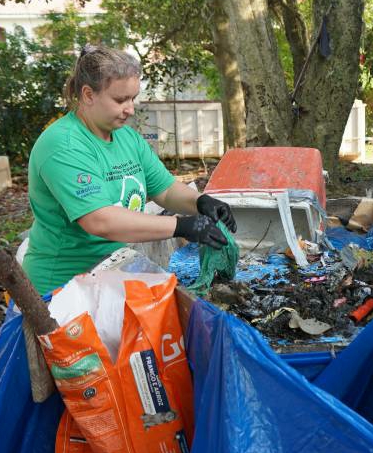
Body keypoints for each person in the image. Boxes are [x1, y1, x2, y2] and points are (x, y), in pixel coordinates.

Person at [22, 44, 237, 295]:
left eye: (132, 98)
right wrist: (180, 226)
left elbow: (165, 191)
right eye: (120, 99)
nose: (130, 109)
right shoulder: (63, 146)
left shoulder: (126, 138)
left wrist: (201, 202)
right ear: (88, 95)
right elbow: (100, 220)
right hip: (60, 289)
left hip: (108, 276)